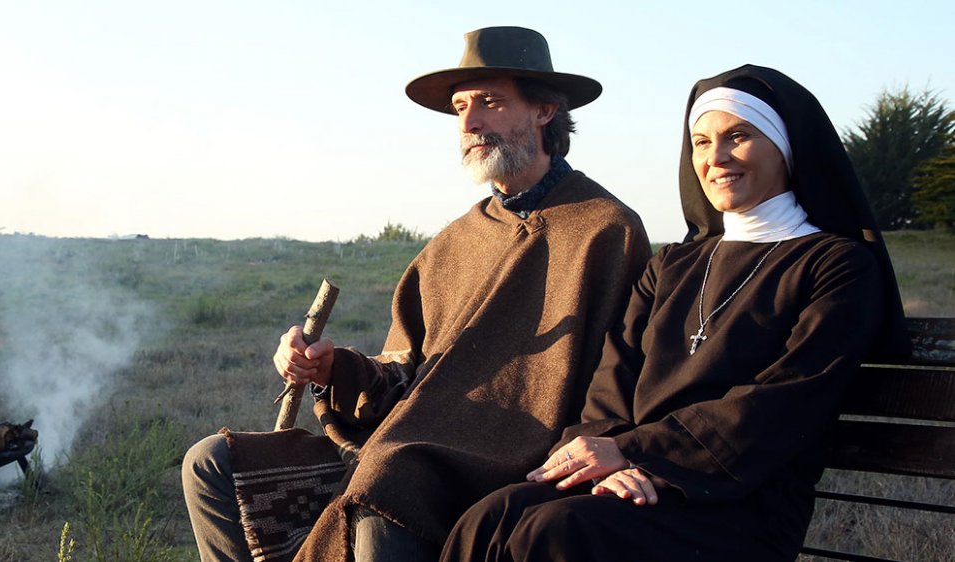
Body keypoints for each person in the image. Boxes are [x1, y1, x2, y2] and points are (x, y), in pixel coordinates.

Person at [182, 26, 651, 562]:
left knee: (393, 482)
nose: (470, 123)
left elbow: (622, 377)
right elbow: (404, 371)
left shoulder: (606, 230)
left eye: (490, 103)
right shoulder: (454, 243)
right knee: (212, 461)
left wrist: (607, 446)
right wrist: (331, 368)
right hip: (400, 440)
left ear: (545, 111)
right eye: (460, 108)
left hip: (505, 460)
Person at [439, 64, 911, 562]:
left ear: (785, 145)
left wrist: (640, 453)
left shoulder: (836, 265)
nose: (717, 157)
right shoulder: (673, 264)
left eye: (739, 136)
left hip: (739, 503)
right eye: (702, 143)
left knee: (557, 531)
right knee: (490, 517)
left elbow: (785, 402)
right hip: (634, 480)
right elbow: (613, 378)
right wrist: (607, 451)